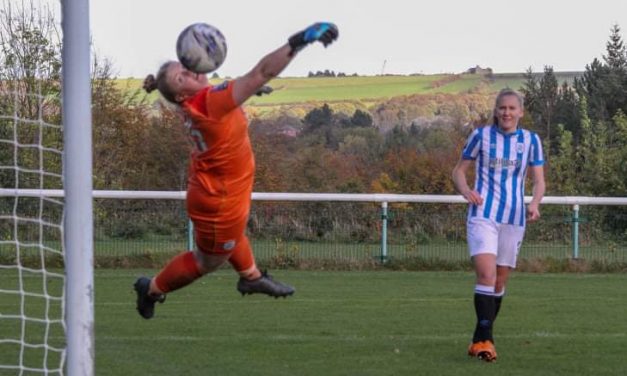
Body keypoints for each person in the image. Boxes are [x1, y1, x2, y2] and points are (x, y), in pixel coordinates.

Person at [134, 22, 339, 319]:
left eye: (187, 64)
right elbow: (261, 72)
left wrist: (248, 92)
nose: (190, 70)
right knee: (207, 262)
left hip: (219, 192)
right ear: (180, 95)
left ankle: (252, 276)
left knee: (234, 235)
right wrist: (299, 41)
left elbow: (231, 91)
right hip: (218, 200)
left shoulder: (205, 100)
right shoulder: (209, 102)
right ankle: (151, 289)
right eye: (182, 76)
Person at [452, 88, 545, 361]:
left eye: (512, 108)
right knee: (486, 275)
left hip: (514, 217)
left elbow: (539, 180)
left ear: (520, 112)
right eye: (502, 108)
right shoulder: (481, 136)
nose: (506, 112)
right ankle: (487, 341)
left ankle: (478, 338)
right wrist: (465, 191)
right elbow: (458, 170)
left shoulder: (531, 141)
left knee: (500, 281)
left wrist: (535, 203)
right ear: (496, 111)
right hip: (483, 214)